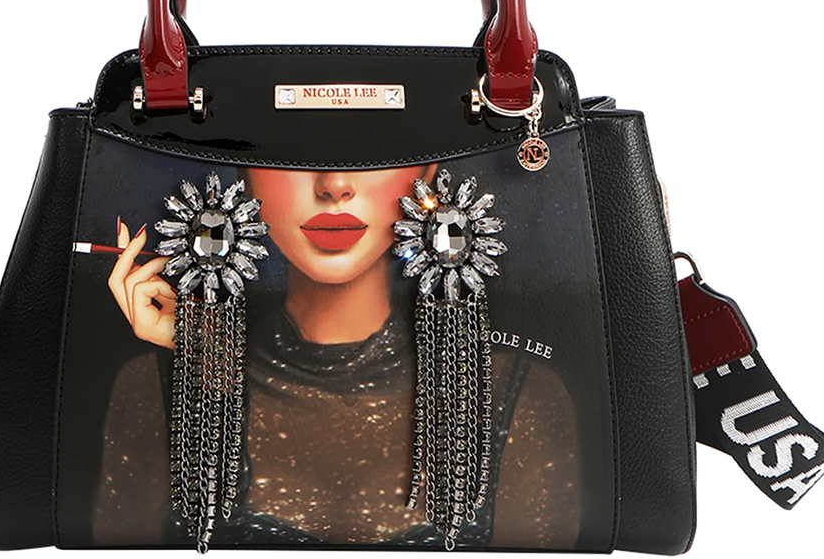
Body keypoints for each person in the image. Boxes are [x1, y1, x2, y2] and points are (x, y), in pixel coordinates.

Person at [98, 164, 579, 548]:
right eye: (291, 148)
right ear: (245, 170)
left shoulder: (519, 397)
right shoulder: (154, 385)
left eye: (374, 149)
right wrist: (205, 366)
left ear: (427, 171)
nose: (334, 186)